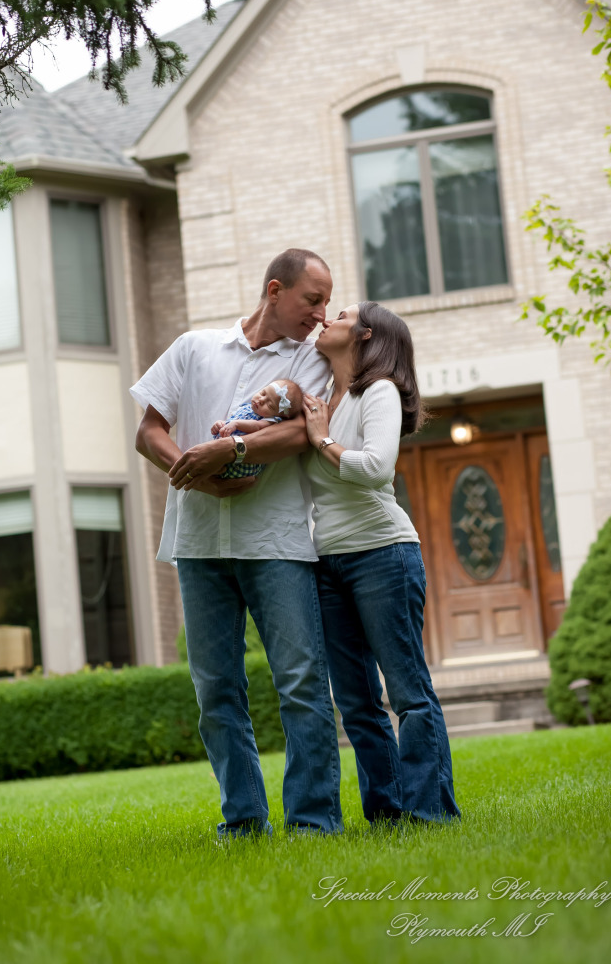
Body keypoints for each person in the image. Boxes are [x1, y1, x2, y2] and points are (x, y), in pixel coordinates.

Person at [131, 249, 342, 837]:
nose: (322, 315)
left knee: (301, 682)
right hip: (199, 545)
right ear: (275, 290)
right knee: (216, 690)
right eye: (312, 300)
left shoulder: (313, 360)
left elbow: (305, 432)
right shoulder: (194, 348)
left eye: (326, 302)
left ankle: (314, 823)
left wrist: (232, 449)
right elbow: (149, 431)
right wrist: (192, 468)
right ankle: (244, 822)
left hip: (275, 542)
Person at [302, 300, 460, 825]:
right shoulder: (323, 395)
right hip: (328, 561)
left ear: (366, 335)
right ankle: (389, 814)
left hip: (383, 554)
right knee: (357, 702)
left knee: (408, 692)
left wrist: (321, 439)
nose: (327, 319)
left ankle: (430, 811)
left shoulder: (379, 391)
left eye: (340, 315)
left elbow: (375, 468)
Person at [210, 379, 304, 479]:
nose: (261, 400)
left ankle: (217, 470)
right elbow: (234, 420)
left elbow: (256, 426)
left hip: (242, 460)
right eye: (263, 393)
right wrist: (223, 424)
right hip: (226, 448)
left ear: (280, 414)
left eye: (270, 405)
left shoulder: (270, 420)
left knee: (215, 463)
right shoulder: (247, 408)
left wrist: (236, 424)